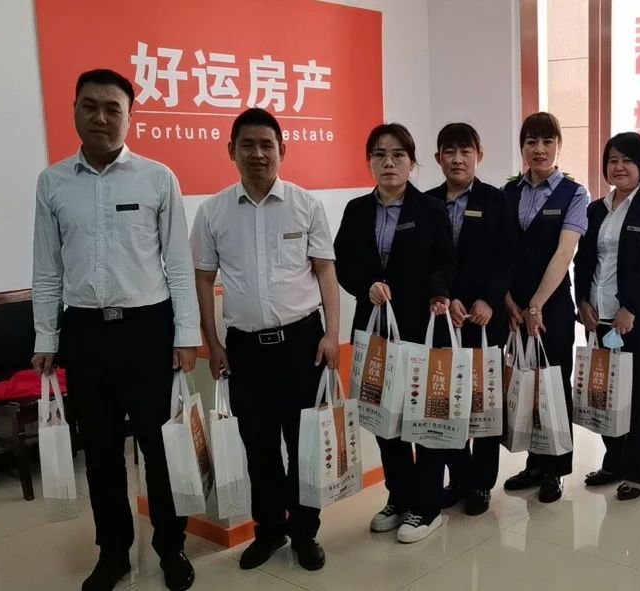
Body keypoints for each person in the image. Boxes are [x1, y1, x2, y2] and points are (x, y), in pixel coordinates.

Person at [31, 69, 199, 591]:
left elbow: (178, 264)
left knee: (160, 447)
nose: (100, 117)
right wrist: (45, 338)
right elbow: (46, 268)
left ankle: (171, 546)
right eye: (89, 106)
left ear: (130, 116)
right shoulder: (52, 182)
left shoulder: (157, 177)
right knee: (100, 452)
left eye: (112, 108)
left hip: (147, 330)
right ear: (74, 111)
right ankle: (113, 552)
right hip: (85, 333)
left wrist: (186, 335)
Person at [190, 108, 339, 572]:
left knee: (304, 446)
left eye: (266, 145)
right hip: (245, 351)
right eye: (247, 145)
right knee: (259, 447)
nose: (258, 153)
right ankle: (269, 530)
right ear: (231, 151)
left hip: (302, 345)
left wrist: (332, 334)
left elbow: (326, 272)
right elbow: (202, 279)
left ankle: (305, 533)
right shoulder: (212, 211)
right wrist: (213, 343)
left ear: (282, 150)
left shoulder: (306, 205)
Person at [334, 123, 456, 543]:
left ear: (412, 162)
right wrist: (365, 285)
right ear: (369, 161)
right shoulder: (356, 210)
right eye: (379, 155)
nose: (388, 163)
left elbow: (446, 263)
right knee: (384, 416)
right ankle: (400, 496)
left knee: (423, 417)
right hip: (375, 329)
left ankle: (428, 505)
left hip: (421, 327)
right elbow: (342, 264)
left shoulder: (430, 209)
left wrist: (438, 292)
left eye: (398, 155)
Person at [574, 132, 640, 501]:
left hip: (634, 318)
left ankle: (638, 470)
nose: (619, 167)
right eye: (613, 160)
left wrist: (630, 307)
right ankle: (614, 461)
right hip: (597, 316)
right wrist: (582, 302)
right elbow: (583, 261)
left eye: (627, 160)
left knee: (638, 394)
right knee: (603, 391)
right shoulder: (595, 210)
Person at [426, 123, 518, 516]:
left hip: (483, 320)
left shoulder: (496, 200)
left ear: (479, 156)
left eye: (466, 151)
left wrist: (490, 300)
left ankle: (481, 483)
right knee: (446, 402)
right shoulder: (427, 203)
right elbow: (426, 261)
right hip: (442, 318)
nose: (457, 159)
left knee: (483, 403)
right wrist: (444, 298)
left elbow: (509, 258)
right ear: (438, 158)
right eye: (449, 151)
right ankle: (460, 476)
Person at [500, 112, 591, 503]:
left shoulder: (575, 194)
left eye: (547, 141)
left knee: (553, 384)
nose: (539, 149)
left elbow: (564, 252)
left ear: (558, 146)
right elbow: (499, 253)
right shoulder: (507, 193)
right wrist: (508, 300)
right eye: (531, 142)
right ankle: (534, 464)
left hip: (550, 307)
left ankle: (555, 469)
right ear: (522, 147)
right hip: (513, 308)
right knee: (525, 383)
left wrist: (536, 305)